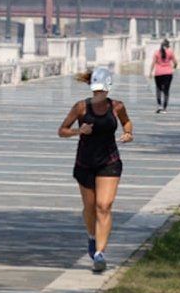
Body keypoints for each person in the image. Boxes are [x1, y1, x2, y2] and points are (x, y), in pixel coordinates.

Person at [57, 67, 133, 272]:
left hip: (110, 161)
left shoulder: (117, 106)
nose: (99, 94)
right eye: (96, 90)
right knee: (90, 207)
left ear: (108, 88)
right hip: (85, 163)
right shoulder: (80, 107)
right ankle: (92, 236)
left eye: (102, 90)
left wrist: (128, 133)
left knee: (104, 205)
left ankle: (100, 253)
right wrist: (77, 131)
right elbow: (61, 131)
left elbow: (126, 122)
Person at [149, 39, 176, 114]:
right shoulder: (170, 52)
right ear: (168, 46)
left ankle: (159, 105)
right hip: (168, 73)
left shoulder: (157, 52)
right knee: (166, 91)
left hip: (158, 73)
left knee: (158, 89)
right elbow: (175, 62)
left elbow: (153, 63)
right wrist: (174, 67)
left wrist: (150, 72)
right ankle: (164, 108)